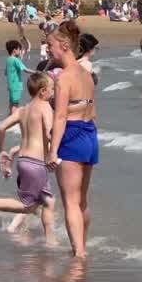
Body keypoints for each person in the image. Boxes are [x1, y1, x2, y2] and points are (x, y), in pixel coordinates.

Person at [0, 71, 57, 245]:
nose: (54, 92)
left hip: (24, 161)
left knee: (49, 201)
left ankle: (51, 241)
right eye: (52, 89)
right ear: (43, 91)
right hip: (36, 163)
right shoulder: (45, 107)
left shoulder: (22, 110)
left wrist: (1, 151)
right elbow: (49, 133)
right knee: (27, 207)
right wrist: (56, 152)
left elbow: (1, 128)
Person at [45, 21, 97, 259]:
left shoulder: (64, 78)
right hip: (89, 134)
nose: (48, 49)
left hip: (72, 134)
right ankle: (81, 246)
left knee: (70, 201)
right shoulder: (86, 74)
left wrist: (52, 150)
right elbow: (91, 110)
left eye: (50, 45)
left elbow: (60, 116)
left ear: (64, 45)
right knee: (82, 201)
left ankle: (79, 253)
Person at [4, 39, 28, 116]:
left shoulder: (8, 60)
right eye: (19, 49)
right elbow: (25, 69)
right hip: (16, 85)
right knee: (15, 104)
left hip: (10, 85)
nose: (20, 51)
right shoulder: (16, 60)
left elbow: (6, 73)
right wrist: (36, 72)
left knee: (12, 103)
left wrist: (20, 57)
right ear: (14, 50)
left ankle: (9, 117)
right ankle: (13, 118)